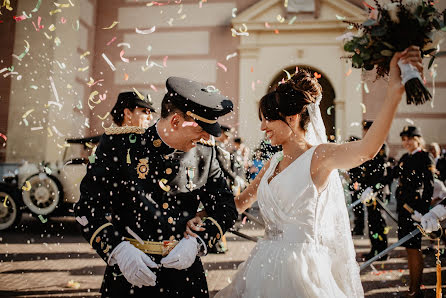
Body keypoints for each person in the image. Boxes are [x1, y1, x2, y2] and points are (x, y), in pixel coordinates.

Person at [186, 46, 423, 297]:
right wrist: (201, 216)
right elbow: (241, 202)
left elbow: (366, 150)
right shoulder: (273, 162)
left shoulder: (319, 156)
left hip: (301, 270)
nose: (263, 126)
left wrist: (394, 94)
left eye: (269, 118)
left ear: (294, 117)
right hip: (261, 264)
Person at [74, 77, 238, 297]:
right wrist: (118, 250)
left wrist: (198, 241)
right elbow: (88, 208)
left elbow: (225, 208)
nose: (208, 136)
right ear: (176, 122)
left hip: (185, 280)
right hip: (129, 276)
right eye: (202, 128)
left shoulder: (205, 153)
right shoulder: (119, 146)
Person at [394, 125, 434, 297]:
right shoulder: (405, 157)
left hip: (416, 210)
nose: (406, 142)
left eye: (409, 138)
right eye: (403, 139)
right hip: (404, 210)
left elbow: (429, 186)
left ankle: (416, 289)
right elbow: (391, 175)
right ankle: (413, 288)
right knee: (409, 248)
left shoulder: (425, 157)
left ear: (418, 139)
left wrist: (424, 212)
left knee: (414, 248)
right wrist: (374, 187)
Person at [357, 120, 389, 260]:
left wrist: (373, 188)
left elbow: (381, 171)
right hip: (368, 191)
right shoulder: (367, 145)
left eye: (367, 131)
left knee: (379, 222)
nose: (365, 134)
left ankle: (382, 252)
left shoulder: (381, 145)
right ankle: (374, 250)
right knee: (372, 221)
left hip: (378, 191)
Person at [347, 136, 365, 236]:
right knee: (355, 208)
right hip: (353, 185)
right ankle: (357, 227)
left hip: (357, 185)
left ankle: (359, 228)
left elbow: (360, 173)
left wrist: (357, 182)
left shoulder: (359, 156)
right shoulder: (353, 155)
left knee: (358, 208)